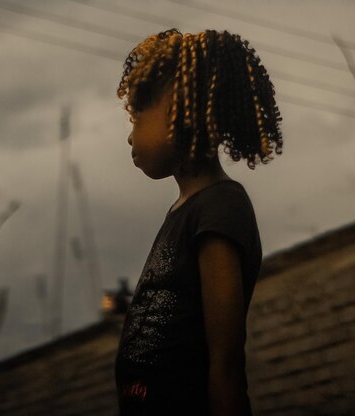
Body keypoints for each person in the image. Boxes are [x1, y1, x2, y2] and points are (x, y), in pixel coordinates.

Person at [114, 28, 283, 416]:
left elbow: (225, 362)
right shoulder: (183, 211)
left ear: (184, 109)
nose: (129, 137)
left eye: (138, 116)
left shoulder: (220, 207)